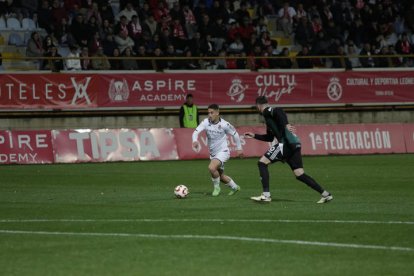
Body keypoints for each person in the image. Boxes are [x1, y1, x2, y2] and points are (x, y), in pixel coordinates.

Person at [244, 96, 333, 203]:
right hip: (294, 144)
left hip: (285, 143)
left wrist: (286, 124)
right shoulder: (270, 120)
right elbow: (270, 138)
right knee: (300, 174)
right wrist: (254, 135)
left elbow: (278, 111)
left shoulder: (267, 111)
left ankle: (266, 196)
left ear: (258, 106)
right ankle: (326, 195)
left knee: (262, 163)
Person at [192, 104, 243, 196]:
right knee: (221, 176)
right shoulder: (205, 122)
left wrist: (239, 148)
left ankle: (216, 188)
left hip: (223, 152)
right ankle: (235, 187)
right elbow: (196, 132)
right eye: (208, 113)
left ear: (217, 113)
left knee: (211, 168)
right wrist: (194, 140)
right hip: (213, 154)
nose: (209, 115)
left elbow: (235, 134)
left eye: (212, 113)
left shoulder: (225, 124)